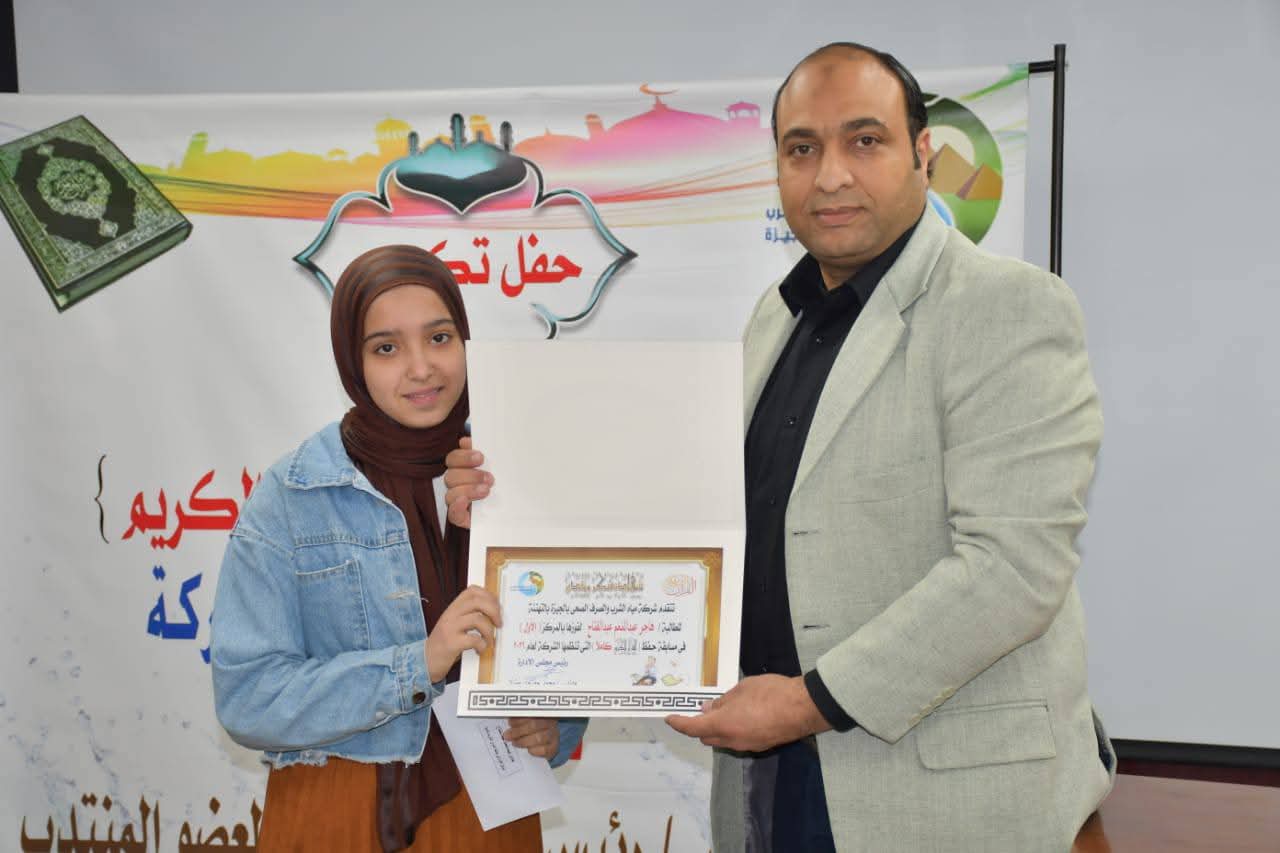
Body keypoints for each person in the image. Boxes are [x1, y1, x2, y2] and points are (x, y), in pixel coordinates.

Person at [446, 42, 1114, 852]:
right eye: (802, 148)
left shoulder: (1005, 307)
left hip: (938, 797)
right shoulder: (775, 317)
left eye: (864, 140)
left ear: (923, 155)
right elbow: (716, 532)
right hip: (769, 780)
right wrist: (518, 500)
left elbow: (1012, 570)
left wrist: (803, 703)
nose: (830, 175)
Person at [210, 245, 585, 852]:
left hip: (492, 809)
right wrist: (419, 663)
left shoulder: (514, 472)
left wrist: (555, 724)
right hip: (337, 811)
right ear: (352, 363)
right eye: (386, 348)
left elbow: (569, 639)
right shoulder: (294, 494)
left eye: (439, 338)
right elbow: (248, 699)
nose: (421, 368)